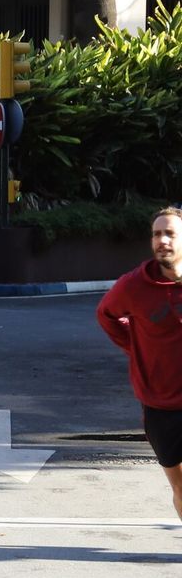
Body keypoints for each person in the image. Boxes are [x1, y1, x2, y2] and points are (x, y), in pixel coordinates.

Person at [97, 207, 182, 521]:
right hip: (160, 403)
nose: (162, 240)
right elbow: (106, 315)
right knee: (180, 486)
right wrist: (135, 346)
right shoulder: (134, 286)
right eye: (157, 234)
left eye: (170, 233)